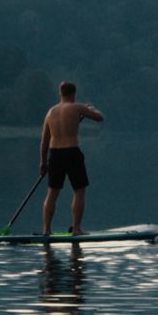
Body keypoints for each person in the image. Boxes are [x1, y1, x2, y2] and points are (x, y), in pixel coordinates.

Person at [39, 80, 104, 237]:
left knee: (52, 193)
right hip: (71, 152)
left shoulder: (50, 112)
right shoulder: (77, 107)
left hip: (54, 154)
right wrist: (90, 108)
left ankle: (46, 230)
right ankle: (76, 228)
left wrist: (43, 162)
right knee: (79, 191)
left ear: (60, 94)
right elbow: (100, 118)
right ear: (73, 94)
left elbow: (44, 141)